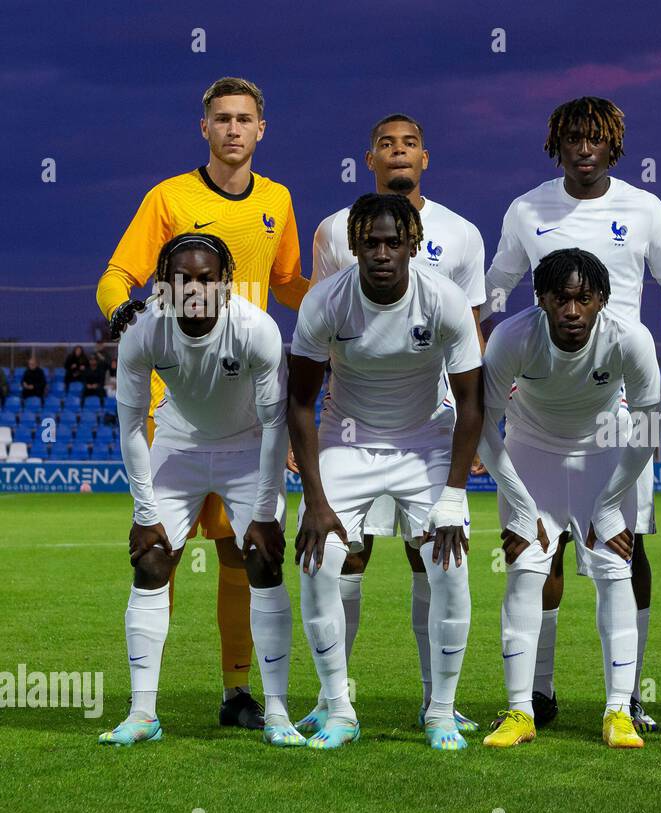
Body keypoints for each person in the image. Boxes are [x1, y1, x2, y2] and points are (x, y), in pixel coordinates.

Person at [95, 76, 310, 730]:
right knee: (159, 551)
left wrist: (347, 299)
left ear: (261, 129)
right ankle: (145, 708)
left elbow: (290, 284)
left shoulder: (278, 201)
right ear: (206, 128)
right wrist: (125, 315)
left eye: (245, 118)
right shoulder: (169, 197)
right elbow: (117, 276)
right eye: (223, 118)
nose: (234, 129)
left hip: (246, 398)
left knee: (240, 556)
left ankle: (240, 693)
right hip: (177, 404)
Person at [484, 96, 661, 733]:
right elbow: (494, 291)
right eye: (572, 137)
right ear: (556, 144)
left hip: (615, 404)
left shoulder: (644, 208)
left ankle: (630, 696)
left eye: (595, 138)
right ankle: (534, 694)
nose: (583, 147)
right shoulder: (526, 210)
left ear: (614, 145)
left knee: (624, 546)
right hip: (541, 402)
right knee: (539, 554)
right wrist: (502, 368)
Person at [299, 112, 486, 737]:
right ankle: (338, 708)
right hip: (347, 436)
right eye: (370, 243)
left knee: (448, 563)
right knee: (323, 559)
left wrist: (455, 495)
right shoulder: (325, 301)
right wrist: (315, 500)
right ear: (354, 246)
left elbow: (472, 401)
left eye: (392, 242)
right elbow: (301, 401)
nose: (381, 252)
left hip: (425, 438)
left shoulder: (446, 300)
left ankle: (439, 713)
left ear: (412, 244)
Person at [99, 233, 296, 747]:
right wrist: (145, 512)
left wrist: (264, 510)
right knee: (151, 559)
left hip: (246, 448)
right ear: (163, 285)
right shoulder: (145, 333)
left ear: (226, 284)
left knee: (262, 558)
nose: (194, 289)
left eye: (206, 279)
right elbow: (131, 428)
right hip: (179, 448)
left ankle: (276, 712)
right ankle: (143, 714)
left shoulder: (257, 330)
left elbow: (276, 425)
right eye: (181, 279)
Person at [476, 248, 660, 748]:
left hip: (604, 452)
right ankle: (520, 712)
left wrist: (608, 504)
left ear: (601, 299)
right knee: (523, 572)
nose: (573, 311)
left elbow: (648, 428)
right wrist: (519, 505)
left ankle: (618, 711)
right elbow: (482, 427)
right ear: (542, 299)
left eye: (584, 299)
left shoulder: (630, 339)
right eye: (561, 299)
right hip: (532, 455)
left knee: (615, 572)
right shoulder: (513, 337)